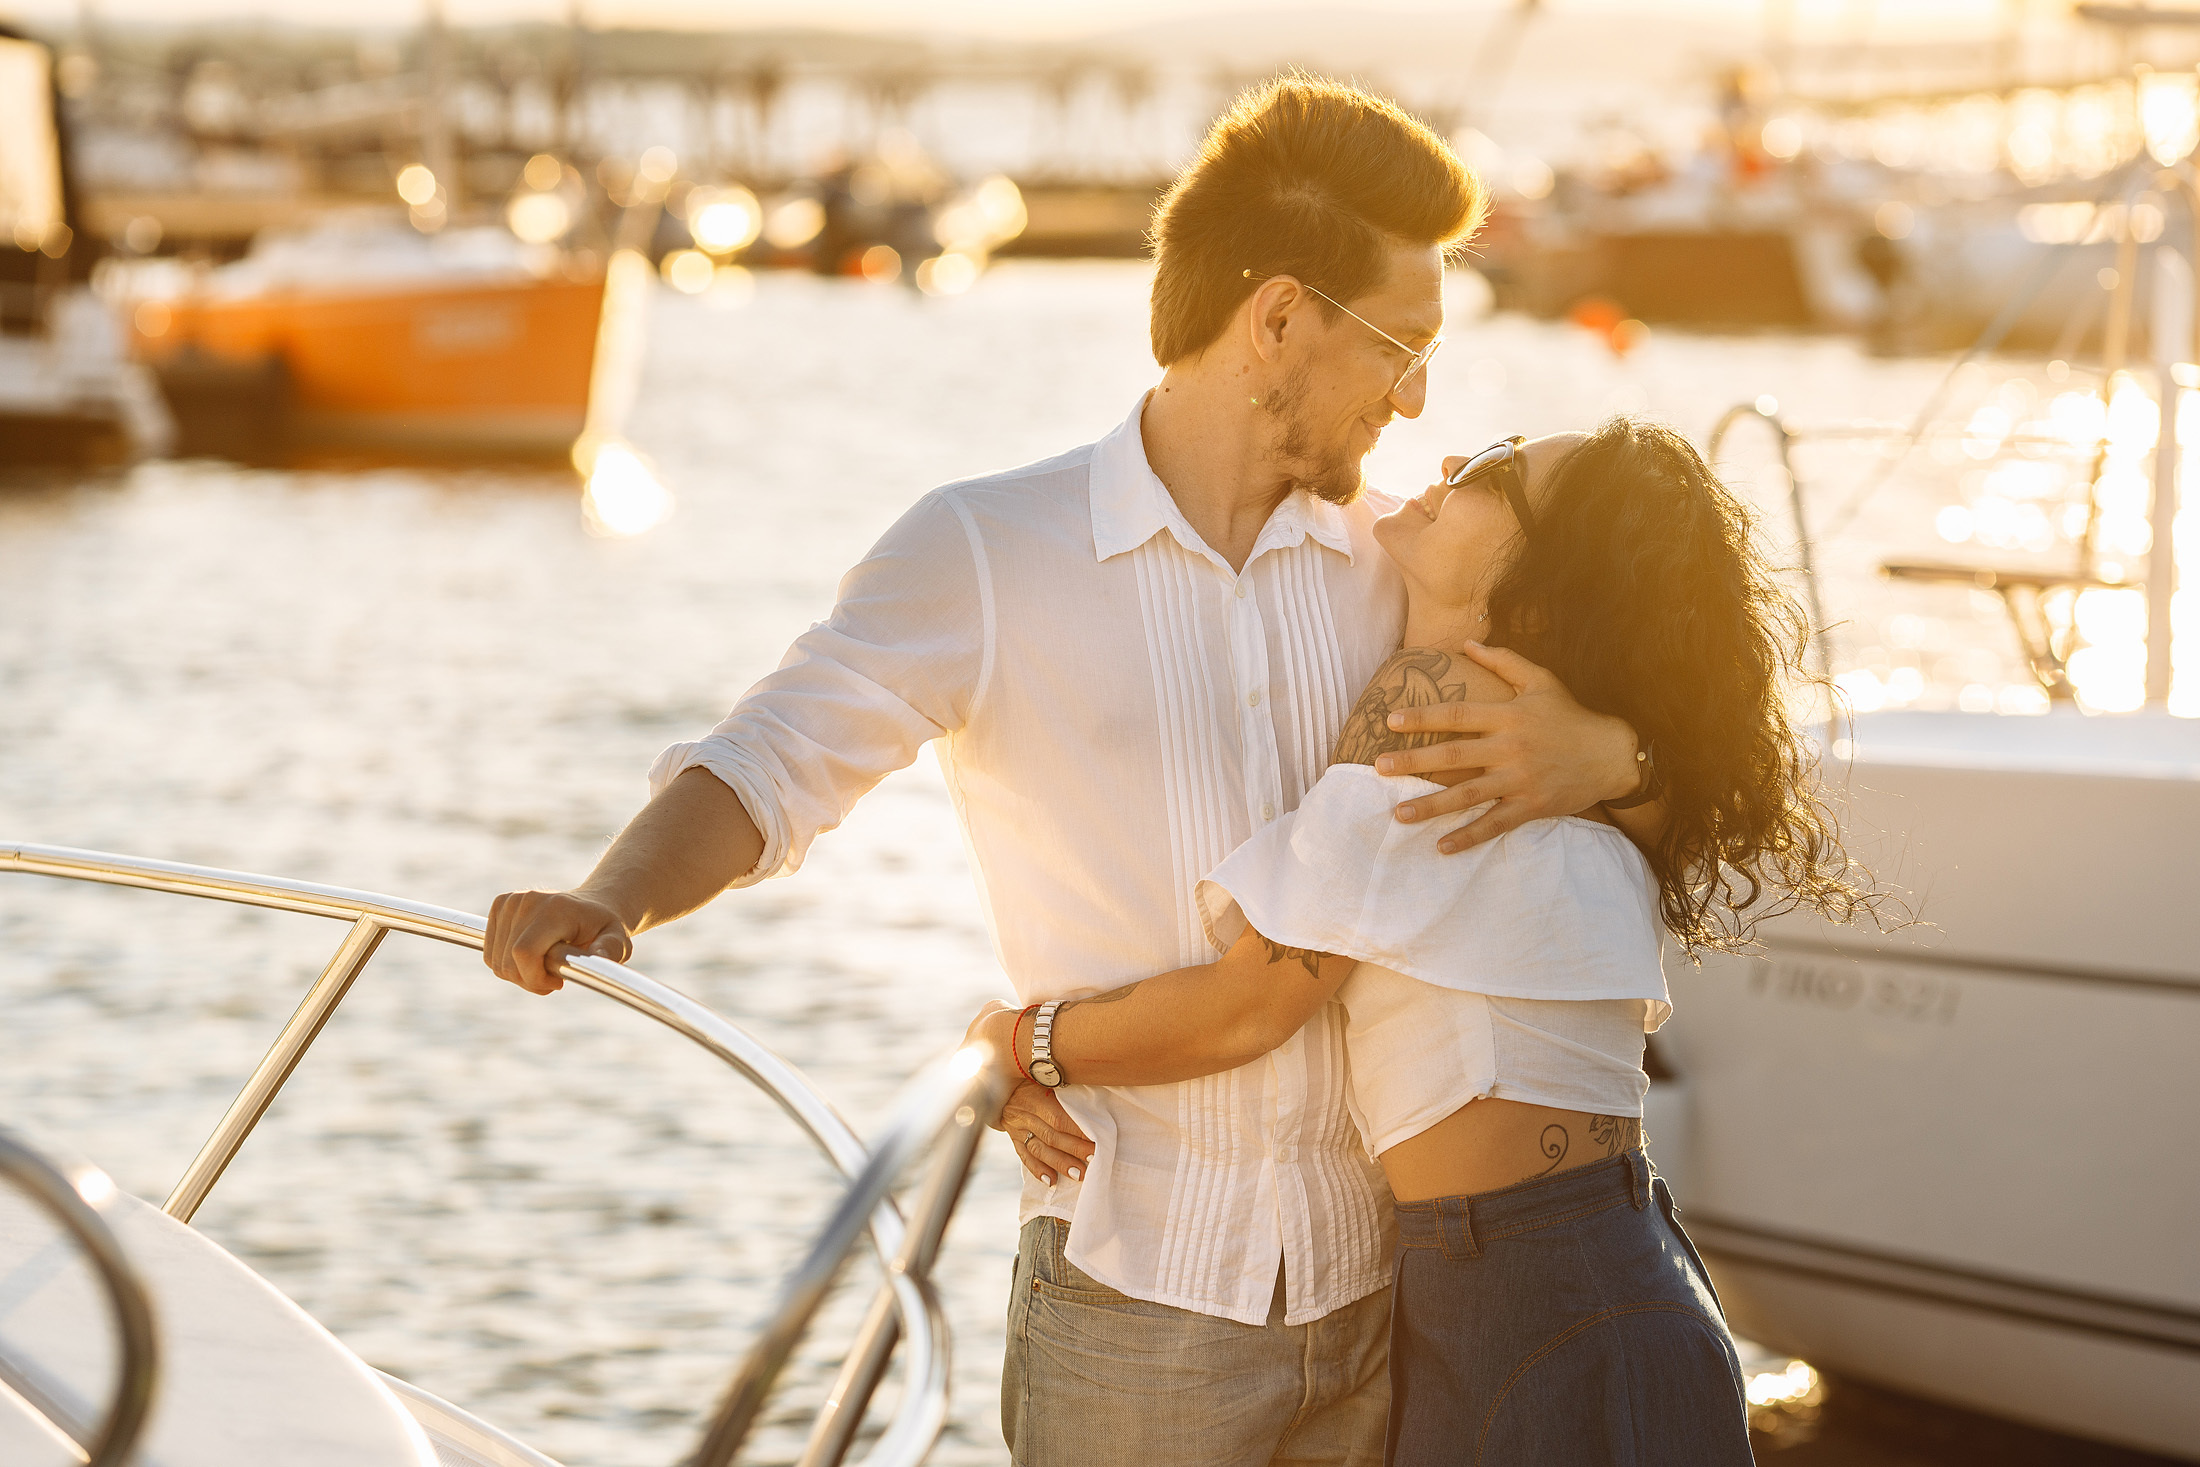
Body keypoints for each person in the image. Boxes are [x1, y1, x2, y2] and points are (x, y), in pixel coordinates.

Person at [484, 78, 1666, 1467]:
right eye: (1402, 346)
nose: (1418, 398)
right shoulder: (986, 548)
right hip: (1135, 1304)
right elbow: (773, 755)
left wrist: (1617, 753)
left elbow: (1649, 763)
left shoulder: (1396, 567)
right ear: (1276, 318)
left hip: (1382, 1298)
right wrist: (615, 891)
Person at [968, 422, 1870, 1466]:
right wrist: (1625, 753)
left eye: (1490, 473)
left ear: (1533, 590)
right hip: (1574, 1271)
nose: (1447, 462)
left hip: (1529, 1285)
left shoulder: (1436, 702)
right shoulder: (1564, 735)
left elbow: (1251, 1006)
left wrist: (1013, 1039)